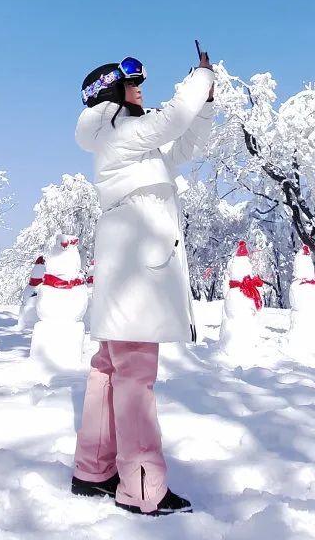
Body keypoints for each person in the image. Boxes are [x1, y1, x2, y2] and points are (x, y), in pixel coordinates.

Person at [71, 50, 215, 516]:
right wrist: (201, 77)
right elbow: (172, 119)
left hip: (130, 270)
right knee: (134, 376)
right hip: (136, 274)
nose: (140, 91)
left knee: (109, 369)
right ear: (112, 93)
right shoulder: (117, 132)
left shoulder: (128, 142)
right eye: (133, 85)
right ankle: (141, 486)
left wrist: (205, 103)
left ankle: (93, 470)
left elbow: (184, 145)